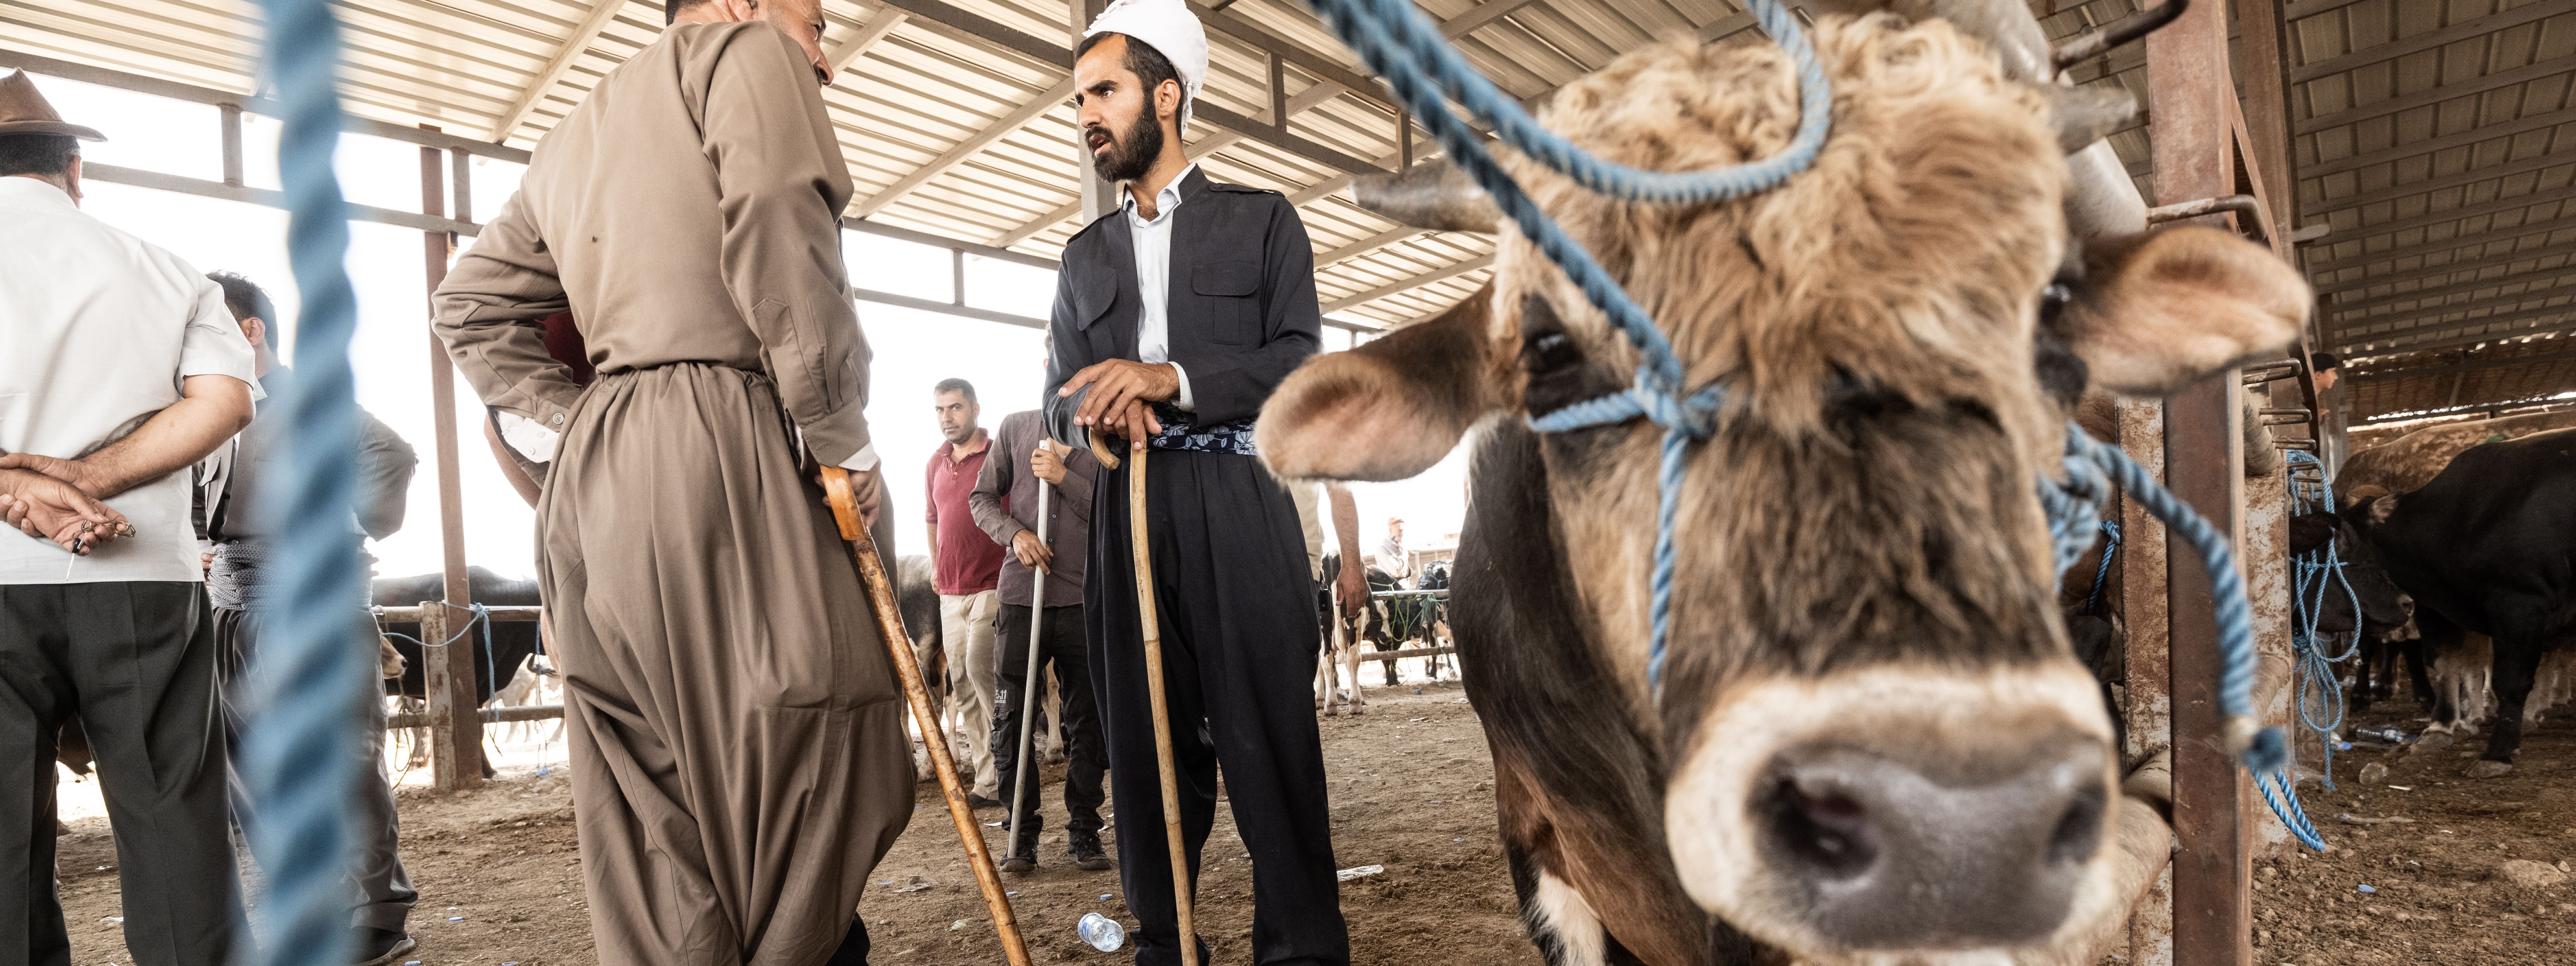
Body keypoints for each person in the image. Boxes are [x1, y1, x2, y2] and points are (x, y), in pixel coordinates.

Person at [429, 0, 913, 960]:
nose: (823, 60)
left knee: (654, 790)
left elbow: (466, 306)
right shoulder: (741, 49)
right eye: (813, 24)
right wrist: (838, 433)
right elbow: (779, 210)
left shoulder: (574, 130)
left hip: (599, 483)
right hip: (732, 436)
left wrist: (585, 424)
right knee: (825, 723)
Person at [1042, 1, 1350, 961]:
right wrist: (1090, 418)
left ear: (1164, 96)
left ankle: (1298, 947)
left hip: (1238, 507)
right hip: (1123, 520)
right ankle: (1163, 944)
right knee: (1142, 756)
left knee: (1270, 747)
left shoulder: (1262, 222)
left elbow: (1300, 365)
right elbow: (1056, 396)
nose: (1085, 114)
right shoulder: (1078, 255)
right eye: (1078, 98)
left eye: (1104, 91)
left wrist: (1168, 382)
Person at [0, 69, 258, 966]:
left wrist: (22, 489)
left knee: (2, 842)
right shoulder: (166, 268)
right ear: (73, 169)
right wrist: (89, 473)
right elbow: (225, 402)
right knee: (172, 818)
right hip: (140, 574)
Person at [199, 271, 424, 966]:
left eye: (204, 327)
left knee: (346, 760)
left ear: (250, 330)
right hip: (234, 606)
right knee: (250, 769)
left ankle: (378, 915)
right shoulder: (208, 407)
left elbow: (394, 455)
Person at [967, 396, 1110, 875]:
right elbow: (981, 499)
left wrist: (1065, 476)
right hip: (1020, 598)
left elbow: (1115, 513)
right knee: (1012, 719)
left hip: (1082, 600)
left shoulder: (1105, 433)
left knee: (1087, 722)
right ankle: (1021, 834)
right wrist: (1014, 535)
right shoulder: (1017, 427)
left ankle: (1085, 830)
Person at [925, 378, 1006, 810]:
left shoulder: (997, 455)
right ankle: (988, 781)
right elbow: (933, 517)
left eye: (955, 408)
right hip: (951, 592)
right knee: (962, 680)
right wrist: (935, 565)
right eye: (940, 410)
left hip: (993, 583)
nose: (947, 418)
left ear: (975, 409)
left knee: (982, 671)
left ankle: (1011, 768)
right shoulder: (935, 464)